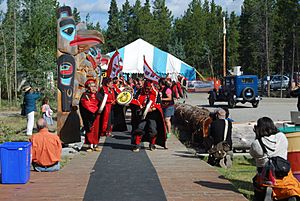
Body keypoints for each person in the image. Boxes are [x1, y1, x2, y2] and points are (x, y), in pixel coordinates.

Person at [250, 117, 300, 201]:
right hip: (283, 171)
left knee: (256, 182)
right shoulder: (281, 137)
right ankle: (288, 194)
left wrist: (257, 136)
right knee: (291, 183)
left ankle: (263, 195)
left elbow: (253, 154)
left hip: (264, 174)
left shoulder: (256, 143)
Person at [131, 80, 166, 152]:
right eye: (146, 88)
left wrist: (152, 108)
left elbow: (158, 103)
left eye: (149, 88)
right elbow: (135, 100)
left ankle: (152, 144)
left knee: (153, 130)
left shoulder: (156, 93)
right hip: (142, 114)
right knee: (139, 128)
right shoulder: (140, 91)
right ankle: (137, 145)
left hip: (152, 114)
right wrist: (139, 106)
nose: (147, 90)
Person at [79, 79, 102, 152]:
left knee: (97, 130)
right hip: (89, 115)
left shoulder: (98, 94)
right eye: (91, 86)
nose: (93, 88)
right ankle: (89, 145)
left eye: (94, 86)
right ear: (88, 87)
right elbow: (86, 105)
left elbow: (102, 103)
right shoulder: (85, 95)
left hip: (97, 115)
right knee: (90, 129)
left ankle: (95, 144)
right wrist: (95, 109)